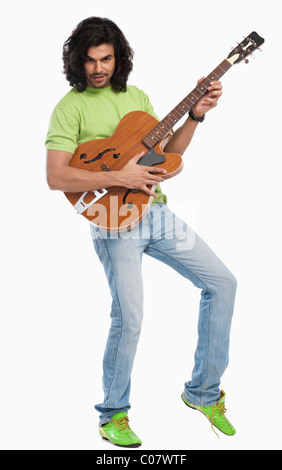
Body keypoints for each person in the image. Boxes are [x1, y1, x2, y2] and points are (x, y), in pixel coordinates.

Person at [45, 17, 237, 447]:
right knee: (129, 318)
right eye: (91, 60)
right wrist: (120, 174)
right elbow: (56, 177)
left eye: (106, 58)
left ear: (119, 58)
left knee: (223, 284)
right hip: (114, 221)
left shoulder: (136, 98)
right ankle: (113, 414)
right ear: (78, 61)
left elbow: (166, 156)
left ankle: (202, 393)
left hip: (157, 212)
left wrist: (195, 116)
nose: (98, 68)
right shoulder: (69, 107)